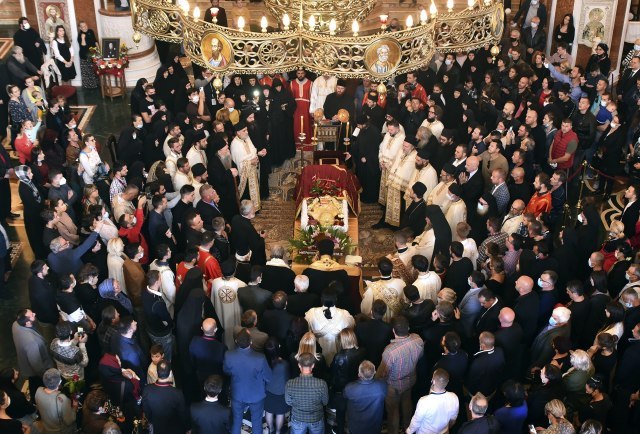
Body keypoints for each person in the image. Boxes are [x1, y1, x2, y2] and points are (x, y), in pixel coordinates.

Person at [376, 316, 424, 434]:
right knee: (407, 402)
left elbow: (382, 374)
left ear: (393, 331)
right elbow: (420, 356)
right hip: (411, 379)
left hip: (394, 386)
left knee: (393, 411)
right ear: (408, 328)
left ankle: (394, 431)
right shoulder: (418, 339)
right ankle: (407, 428)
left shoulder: (390, 351)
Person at [223, 328, 272, 434]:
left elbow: (226, 371)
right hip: (256, 396)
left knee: (236, 422)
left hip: (237, 394)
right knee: (257, 423)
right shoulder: (260, 358)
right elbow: (268, 377)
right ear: (251, 342)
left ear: (236, 341)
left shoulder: (228, 355)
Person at [305, 287, 355, 364]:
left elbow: (306, 331)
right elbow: (351, 330)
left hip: (316, 360)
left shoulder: (311, 313)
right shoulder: (345, 314)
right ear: (336, 300)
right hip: (340, 360)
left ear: (321, 299)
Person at [12, 309, 54, 400]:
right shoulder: (32, 342)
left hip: (24, 362)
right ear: (27, 323)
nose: (34, 314)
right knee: (36, 384)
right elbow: (37, 365)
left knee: (33, 383)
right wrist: (45, 376)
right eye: (32, 315)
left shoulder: (15, 324)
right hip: (35, 370)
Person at [285, 352, 329, 433]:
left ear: (299, 365)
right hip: (316, 418)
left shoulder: (290, 383)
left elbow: (288, 402)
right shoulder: (322, 384)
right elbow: (325, 402)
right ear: (313, 365)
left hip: (297, 418)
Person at [142, 360, 191, 434]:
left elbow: (146, 411)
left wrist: (151, 421)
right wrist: (187, 428)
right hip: (173, 428)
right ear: (170, 373)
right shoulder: (177, 393)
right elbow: (182, 414)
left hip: (156, 427)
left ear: (156, 372)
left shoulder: (147, 390)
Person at [406, 368, 459, 434]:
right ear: (447, 382)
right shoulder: (454, 397)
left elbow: (416, 421)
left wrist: (409, 431)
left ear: (433, 381)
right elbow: (453, 419)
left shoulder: (424, 401)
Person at [343, 360, 387, 434]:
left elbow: (344, 397)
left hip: (356, 428)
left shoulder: (349, 388)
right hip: (375, 428)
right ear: (375, 372)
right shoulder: (382, 386)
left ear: (359, 374)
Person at [211, 260, 245, 349]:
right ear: (234, 271)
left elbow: (212, 300)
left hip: (220, 315)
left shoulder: (215, 282)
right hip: (234, 318)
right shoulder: (241, 284)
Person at [35, 368, 77, 434]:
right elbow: (69, 421)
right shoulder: (62, 399)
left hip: (47, 428)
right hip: (60, 431)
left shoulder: (38, 390)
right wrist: (74, 407)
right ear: (59, 382)